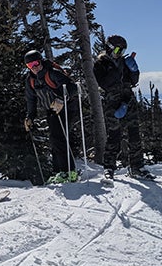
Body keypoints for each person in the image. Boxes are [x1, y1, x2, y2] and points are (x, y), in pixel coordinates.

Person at [93, 34, 155, 181]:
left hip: (128, 99)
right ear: (109, 49)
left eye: (122, 51)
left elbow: (133, 81)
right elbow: (105, 83)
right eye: (117, 51)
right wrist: (118, 68)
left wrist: (134, 70)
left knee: (134, 134)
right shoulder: (100, 65)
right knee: (114, 135)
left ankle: (137, 167)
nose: (119, 54)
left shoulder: (124, 62)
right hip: (112, 103)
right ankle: (109, 167)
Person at [23, 50, 79, 183]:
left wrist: (61, 99)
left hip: (67, 107)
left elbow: (72, 88)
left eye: (35, 63)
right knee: (55, 139)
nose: (34, 67)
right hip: (52, 109)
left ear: (41, 61)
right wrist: (30, 117)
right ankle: (59, 171)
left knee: (58, 138)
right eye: (30, 65)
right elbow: (31, 100)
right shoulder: (30, 80)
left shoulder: (53, 73)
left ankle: (68, 172)